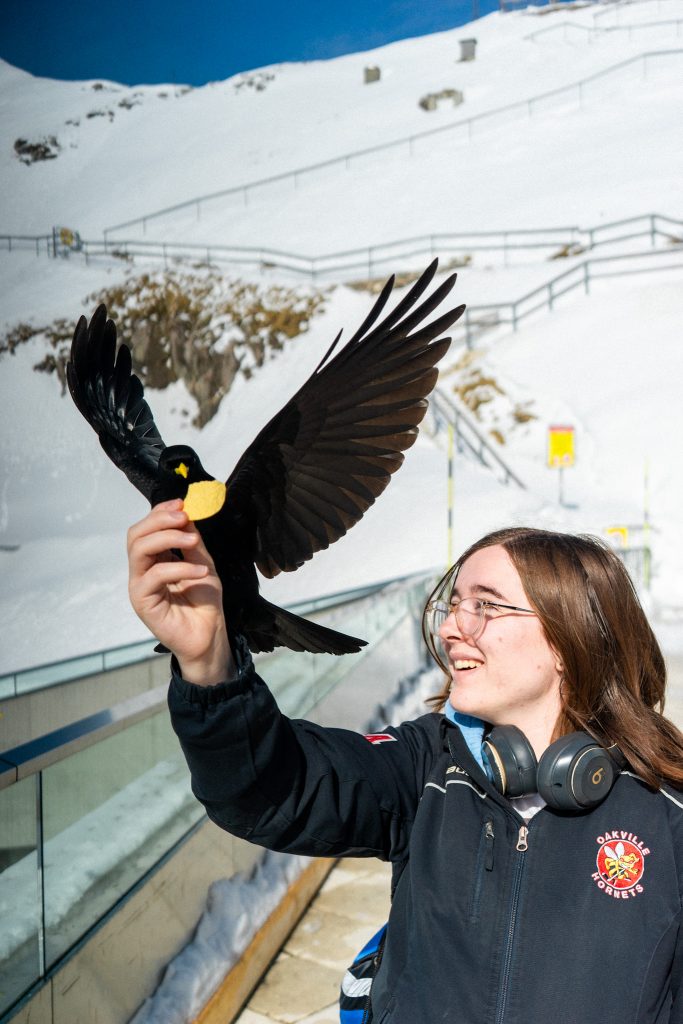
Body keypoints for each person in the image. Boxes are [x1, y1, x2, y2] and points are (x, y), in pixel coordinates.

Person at [128, 500, 683, 1023]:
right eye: (455, 603)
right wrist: (208, 664)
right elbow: (273, 787)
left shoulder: (667, 815)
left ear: (568, 639)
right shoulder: (428, 768)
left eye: (485, 606)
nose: (449, 629)